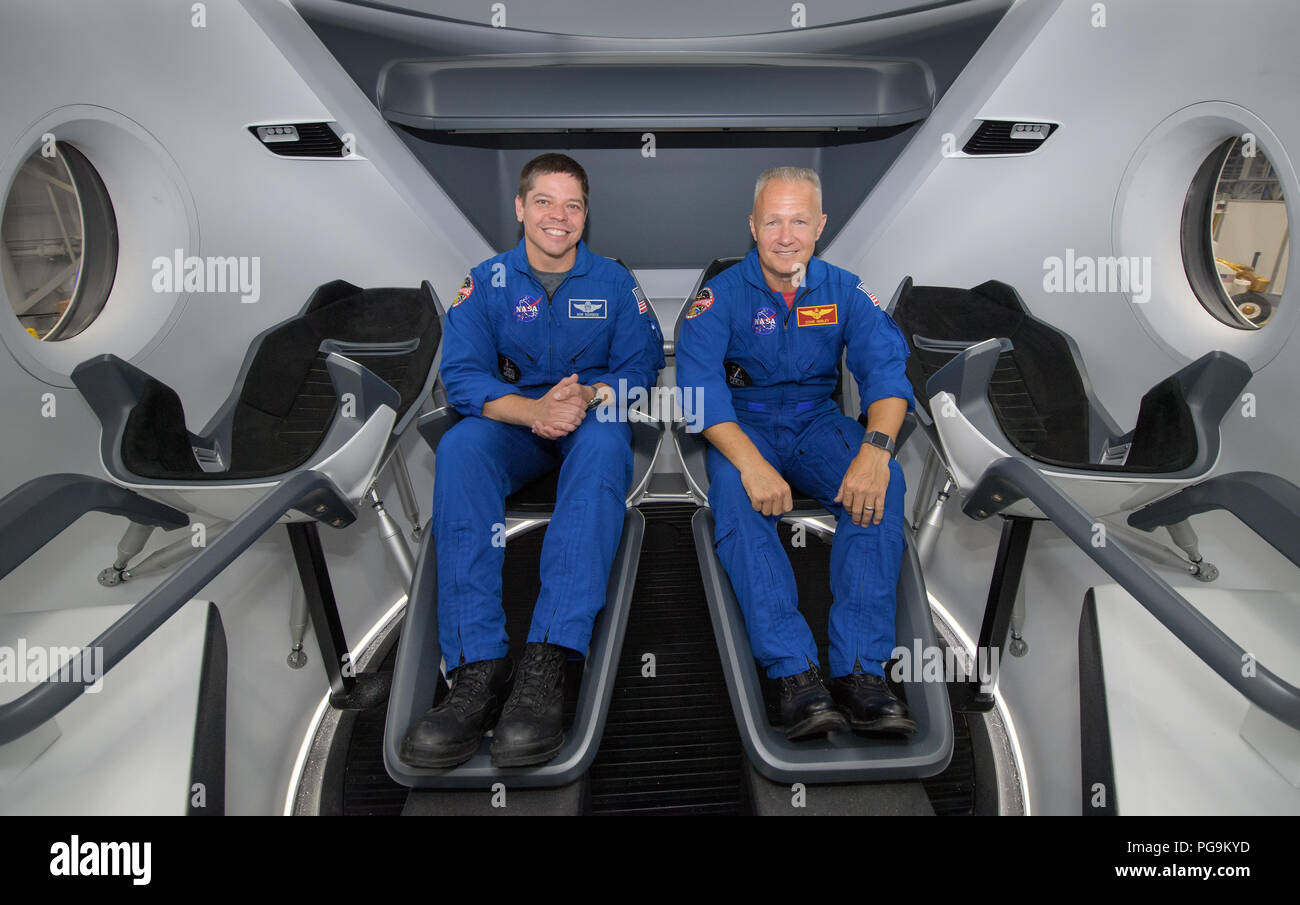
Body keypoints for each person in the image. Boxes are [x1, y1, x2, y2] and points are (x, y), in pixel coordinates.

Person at [402, 153, 663, 768]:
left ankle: (550, 658)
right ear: (520, 208)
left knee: (603, 441)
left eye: (573, 205)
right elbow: (461, 376)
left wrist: (590, 396)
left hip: (586, 420)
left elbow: (641, 368)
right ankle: (477, 668)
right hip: (517, 426)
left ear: (586, 216)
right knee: (462, 446)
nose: (559, 216)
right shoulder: (484, 280)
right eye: (545, 202)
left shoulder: (615, 283)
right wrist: (532, 412)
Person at [676, 166, 917, 740]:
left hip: (817, 423)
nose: (786, 236)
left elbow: (887, 377)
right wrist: (754, 465)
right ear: (753, 227)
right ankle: (796, 676)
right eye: (774, 221)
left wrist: (875, 452)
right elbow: (699, 392)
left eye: (800, 221)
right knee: (737, 500)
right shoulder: (720, 297)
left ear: (821, 225)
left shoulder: (844, 290)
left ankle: (861, 674)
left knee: (888, 485)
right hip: (741, 426)